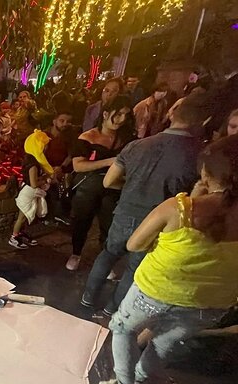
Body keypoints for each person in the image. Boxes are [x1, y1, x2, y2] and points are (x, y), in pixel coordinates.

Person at [97, 135, 238, 384]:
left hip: (156, 289)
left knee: (123, 329)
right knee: (162, 344)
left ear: (206, 173)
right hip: (210, 303)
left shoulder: (179, 208)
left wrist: (193, 199)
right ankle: (137, 383)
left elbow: (134, 244)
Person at [81, 94, 210, 314]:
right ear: (202, 121)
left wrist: (131, 185)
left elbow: (108, 181)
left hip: (125, 212)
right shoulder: (199, 155)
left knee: (108, 254)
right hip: (159, 222)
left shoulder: (138, 145)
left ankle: (87, 299)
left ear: (172, 114)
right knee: (135, 267)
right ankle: (111, 310)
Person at [66, 95, 135, 271]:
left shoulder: (127, 139)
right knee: (82, 221)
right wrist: (109, 162)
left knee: (108, 224)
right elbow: (78, 165)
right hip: (89, 186)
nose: (121, 120)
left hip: (114, 187)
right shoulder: (88, 137)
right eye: (118, 114)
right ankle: (76, 253)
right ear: (105, 114)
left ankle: (104, 260)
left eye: (126, 115)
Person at [9, 133, 50, 249]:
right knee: (22, 217)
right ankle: (14, 237)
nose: (47, 148)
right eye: (45, 145)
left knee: (26, 217)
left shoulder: (31, 161)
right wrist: (44, 180)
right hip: (27, 194)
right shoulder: (33, 165)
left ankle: (20, 234)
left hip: (29, 193)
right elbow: (33, 184)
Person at [43, 111, 75, 224]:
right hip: (45, 168)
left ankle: (60, 214)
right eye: (62, 121)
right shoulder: (44, 135)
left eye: (68, 121)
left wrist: (61, 167)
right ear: (54, 121)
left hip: (62, 169)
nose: (65, 124)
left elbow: (71, 155)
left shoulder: (70, 136)